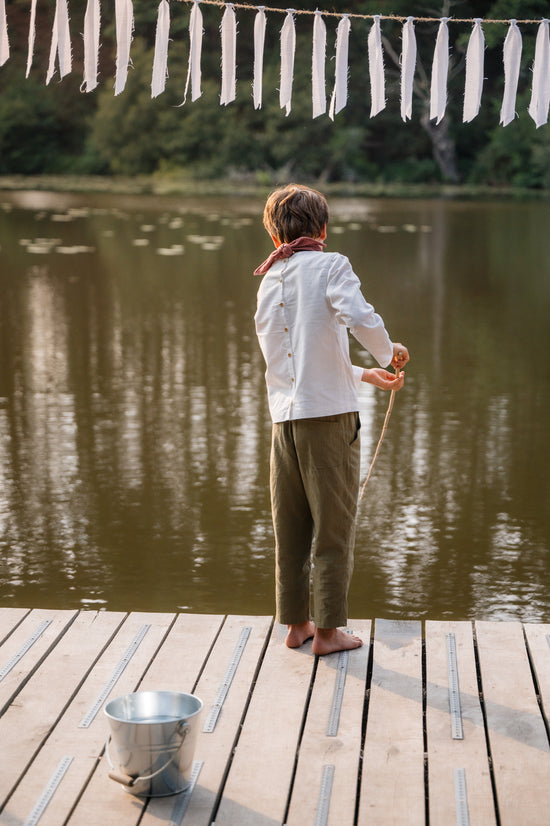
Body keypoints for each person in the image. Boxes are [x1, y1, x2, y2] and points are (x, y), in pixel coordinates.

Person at [254, 184, 409, 655]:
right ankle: (327, 632)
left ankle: (296, 625)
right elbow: (356, 315)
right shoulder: (330, 265)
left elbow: (295, 357)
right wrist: (390, 351)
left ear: (273, 229)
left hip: (284, 422)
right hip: (329, 420)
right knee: (334, 525)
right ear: (322, 228)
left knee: (293, 524)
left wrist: (366, 374)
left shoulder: (269, 280)